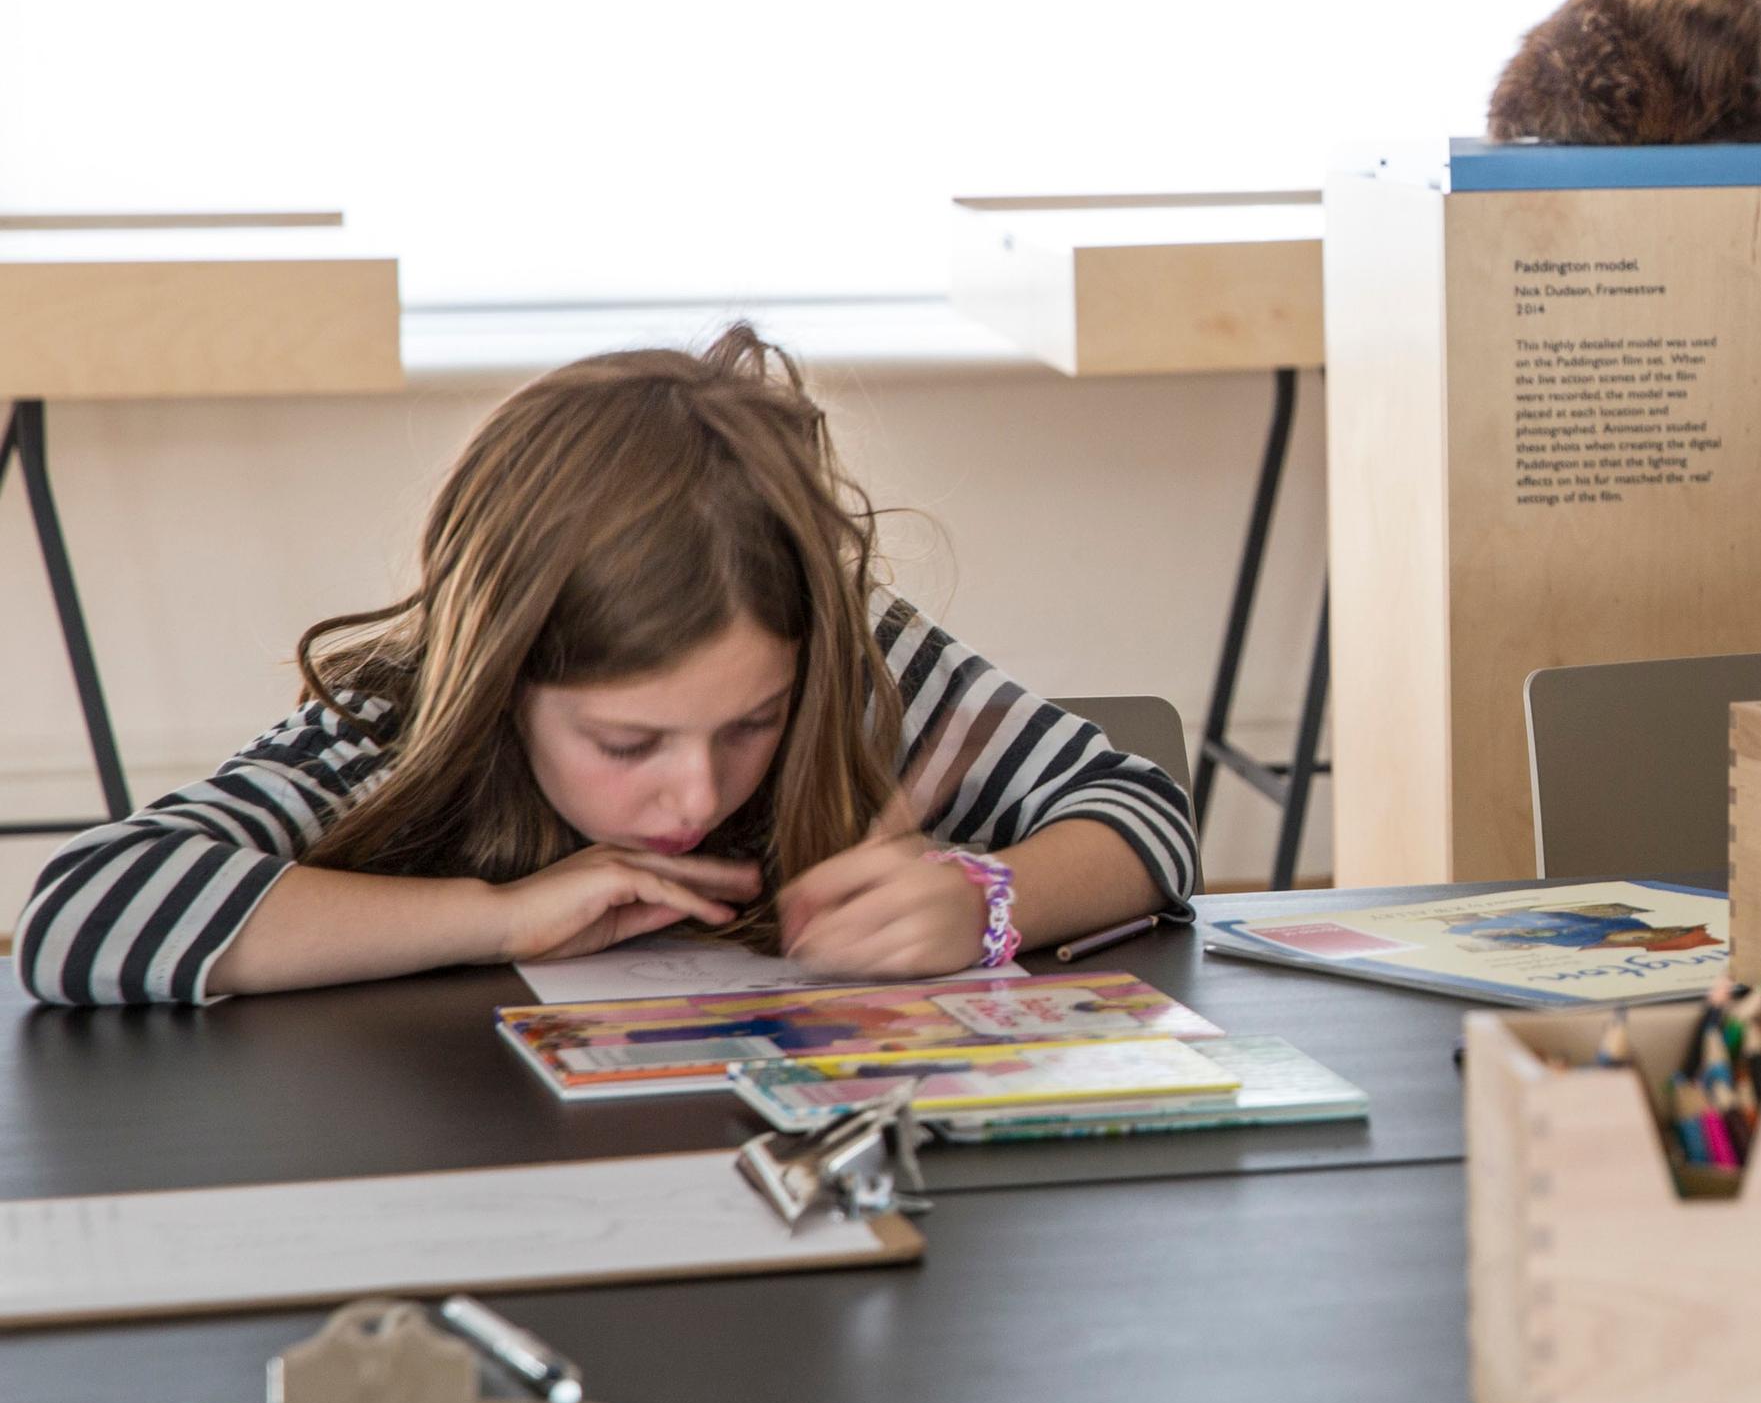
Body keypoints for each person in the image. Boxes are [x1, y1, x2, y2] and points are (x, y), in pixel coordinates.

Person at [17, 325, 1195, 1006]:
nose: (695, 794)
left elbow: (1142, 806)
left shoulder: (859, 657)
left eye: (754, 723)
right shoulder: (399, 718)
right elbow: (86, 910)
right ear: (502, 682)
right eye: (628, 743)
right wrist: (498, 919)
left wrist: (988, 902)